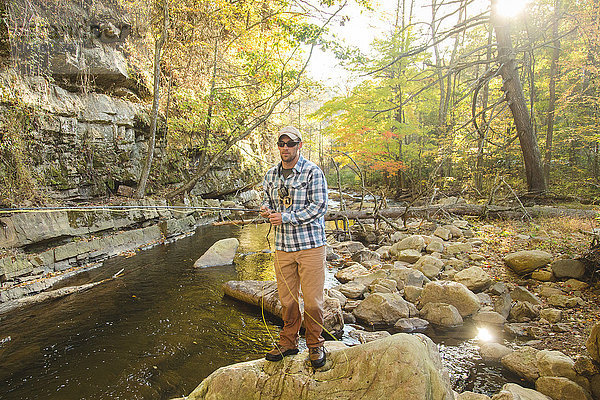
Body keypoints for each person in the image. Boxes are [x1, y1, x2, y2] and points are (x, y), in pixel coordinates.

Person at [260, 125, 328, 368]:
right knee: (287, 301)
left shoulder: (313, 172)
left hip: (311, 245)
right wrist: (266, 210)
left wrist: (286, 217)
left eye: (290, 143)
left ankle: (315, 344)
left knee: (312, 302)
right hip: (282, 246)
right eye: (282, 143)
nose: (285, 148)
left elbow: (319, 207)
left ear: (300, 146)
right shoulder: (270, 175)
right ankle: (288, 342)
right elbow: (267, 199)